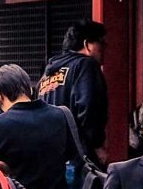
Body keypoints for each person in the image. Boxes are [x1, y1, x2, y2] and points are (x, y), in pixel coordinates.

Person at [42, 20, 112, 164]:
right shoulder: (86, 65)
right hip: (78, 154)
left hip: (50, 153)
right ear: (87, 44)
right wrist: (96, 144)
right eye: (101, 44)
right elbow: (89, 106)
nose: (104, 49)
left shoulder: (48, 73)